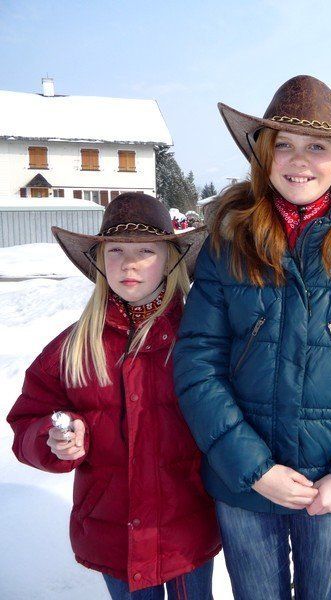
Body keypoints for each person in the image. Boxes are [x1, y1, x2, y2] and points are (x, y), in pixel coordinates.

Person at [172, 75, 331, 600]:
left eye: (317, 147)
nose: (299, 161)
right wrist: (253, 469)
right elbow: (198, 365)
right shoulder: (229, 244)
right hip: (246, 487)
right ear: (265, 156)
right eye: (284, 145)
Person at [7, 192, 220, 599]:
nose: (129, 263)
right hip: (113, 537)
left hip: (186, 533)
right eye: (115, 250)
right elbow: (26, 422)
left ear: (171, 259)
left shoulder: (199, 339)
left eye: (146, 251)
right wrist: (52, 439)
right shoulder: (73, 348)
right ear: (100, 260)